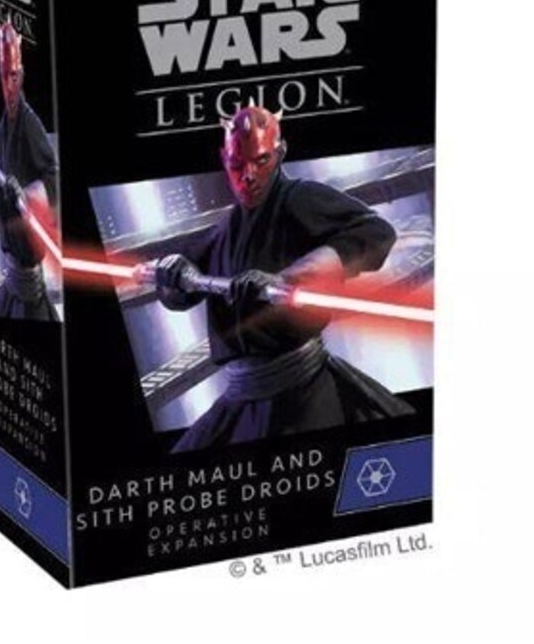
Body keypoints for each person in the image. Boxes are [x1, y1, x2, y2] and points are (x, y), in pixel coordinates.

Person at [154, 102, 413, 451]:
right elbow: (180, 288)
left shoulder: (300, 198)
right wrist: (172, 272)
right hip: (242, 398)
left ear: (280, 153)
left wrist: (288, 278)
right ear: (224, 159)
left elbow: (376, 233)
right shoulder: (226, 228)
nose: (248, 175)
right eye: (237, 164)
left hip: (301, 393)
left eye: (261, 161)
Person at [0, 21, 59, 321]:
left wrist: (29, 194)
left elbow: (52, 176)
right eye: (4, 76)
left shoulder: (30, 123)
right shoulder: (0, 131)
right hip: (12, 270)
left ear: (21, 76)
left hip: (28, 274)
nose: (8, 83)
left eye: (13, 75)